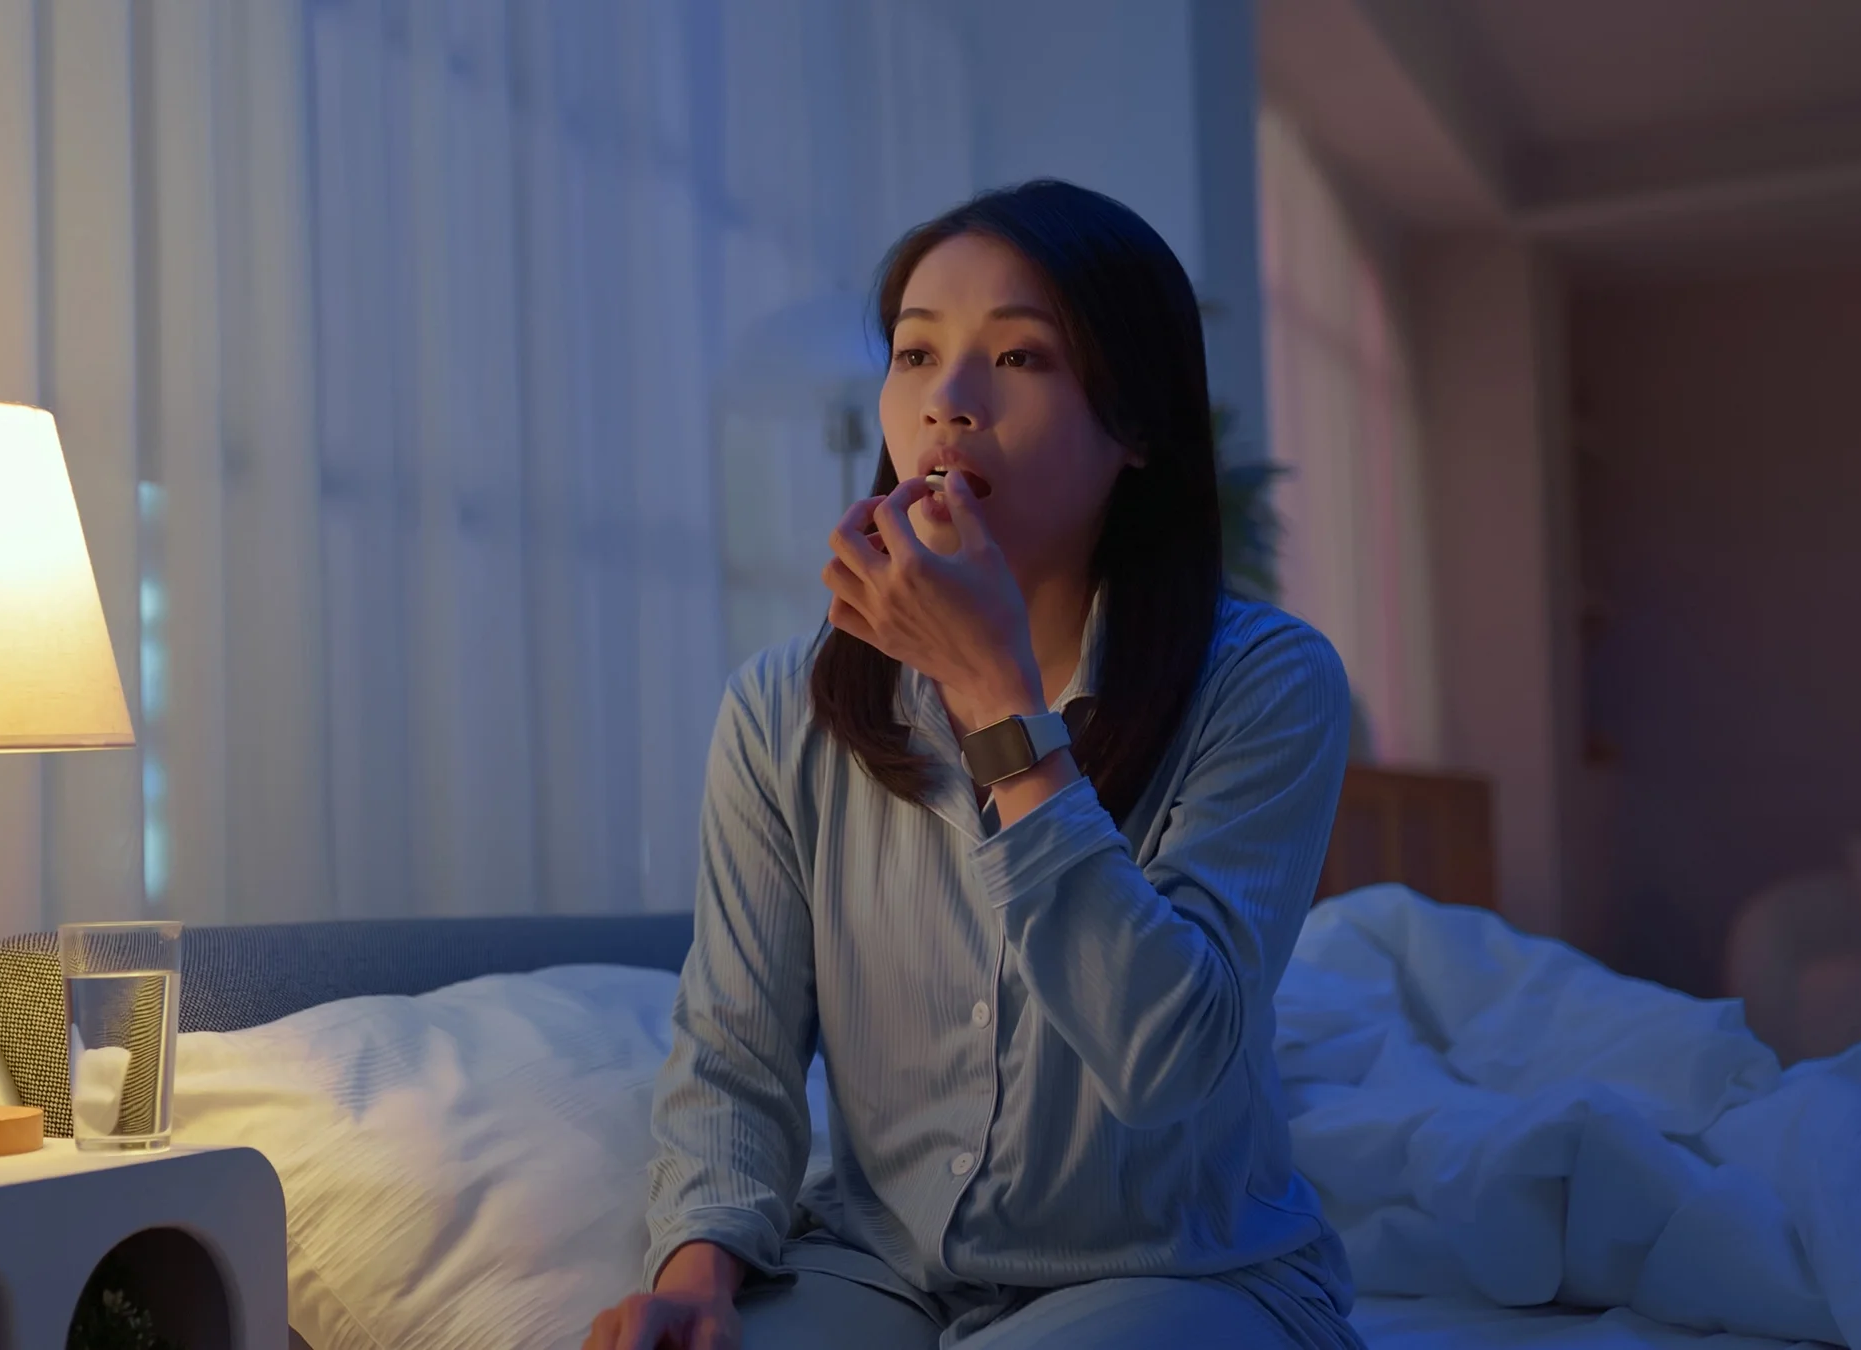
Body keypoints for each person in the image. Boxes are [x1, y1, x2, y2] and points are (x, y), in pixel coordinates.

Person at [581, 179, 1363, 1350]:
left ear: (1136, 425)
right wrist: (697, 1270)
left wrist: (1001, 703)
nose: (947, 403)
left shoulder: (1267, 683)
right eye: (914, 354)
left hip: (1173, 1276)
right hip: (878, 1269)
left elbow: (1172, 1060)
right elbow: (735, 1052)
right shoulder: (778, 714)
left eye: (1021, 359)